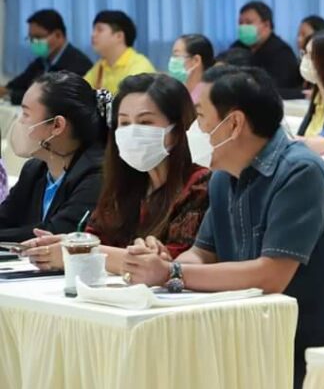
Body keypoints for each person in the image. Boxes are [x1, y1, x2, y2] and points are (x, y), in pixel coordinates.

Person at [117, 65, 324, 389]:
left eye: (200, 117)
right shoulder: (224, 177)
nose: (194, 129)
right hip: (256, 346)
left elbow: (271, 275)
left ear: (234, 123)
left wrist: (171, 274)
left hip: (317, 360)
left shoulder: (300, 171)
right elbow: (202, 254)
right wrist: (164, 260)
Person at [25, 73, 210, 274]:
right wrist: (70, 242)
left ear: (177, 130)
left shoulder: (199, 184)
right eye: (124, 123)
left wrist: (80, 251)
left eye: (145, 122)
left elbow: (172, 264)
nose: (132, 132)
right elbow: (96, 237)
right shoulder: (123, 184)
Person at [0, 72, 106, 241]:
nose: (19, 122)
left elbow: (55, 233)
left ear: (57, 125)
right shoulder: (34, 169)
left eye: (26, 114)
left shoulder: (97, 175)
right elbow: (5, 218)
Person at [0, 9, 92, 105]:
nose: (33, 42)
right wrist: (7, 91)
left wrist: (10, 94)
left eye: (38, 37)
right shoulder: (41, 61)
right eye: (31, 38)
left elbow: (51, 99)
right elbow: (15, 85)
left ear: (58, 35)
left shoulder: (79, 64)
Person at [231, 1, 303, 99]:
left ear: (266, 25)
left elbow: (277, 89)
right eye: (240, 23)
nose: (243, 27)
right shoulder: (237, 46)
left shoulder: (281, 52)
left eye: (248, 23)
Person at [83, 10, 156, 96]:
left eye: (100, 30)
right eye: (94, 30)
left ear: (119, 36)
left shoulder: (139, 66)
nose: (93, 35)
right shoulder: (100, 67)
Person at [168, 33, 214, 104]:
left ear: (196, 61)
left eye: (176, 55)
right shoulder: (179, 95)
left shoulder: (208, 98)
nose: (172, 60)